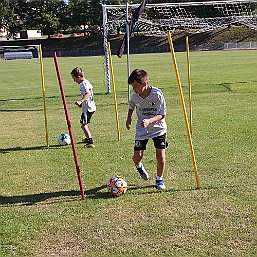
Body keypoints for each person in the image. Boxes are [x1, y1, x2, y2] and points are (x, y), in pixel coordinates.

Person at [126, 69, 167, 190]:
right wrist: (128, 118)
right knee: (136, 156)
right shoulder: (135, 96)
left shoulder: (157, 94)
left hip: (158, 129)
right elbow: (132, 105)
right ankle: (139, 166)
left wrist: (149, 121)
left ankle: (159, 179)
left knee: (160, 156)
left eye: (135, 86)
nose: (133, 89)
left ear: (144, 84)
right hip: (141, 130)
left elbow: (162, 114)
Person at [71, 67, 96, 148]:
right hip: (90, 106)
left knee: (83, 125)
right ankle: (87, 138)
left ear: (78, 77)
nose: (74, 80)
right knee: (85, 123)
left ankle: (90, 141)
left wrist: (81, 101)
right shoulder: (86, 82)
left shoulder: (83, 84)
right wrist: (82, 103)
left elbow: (88, 94)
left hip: (88, 108)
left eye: (74, 78)